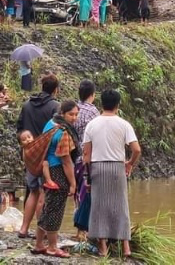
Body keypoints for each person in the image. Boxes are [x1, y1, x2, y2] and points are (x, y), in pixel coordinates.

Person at [83, 89, 141, 258]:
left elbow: (86, 156)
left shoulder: (92, 124)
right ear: (118, 105)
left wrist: (87, 177)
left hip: (98, 167)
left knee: (99, 206)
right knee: (121, 205)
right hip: (117, 167)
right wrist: (129, 163)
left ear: (102, 104)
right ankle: (126, 247)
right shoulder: (124, 124)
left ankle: (102, 247)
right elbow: (136, 149)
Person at [30, 100, 80, 258]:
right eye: (71, 114)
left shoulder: (50, 123)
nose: (74, 118)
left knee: (47, 209)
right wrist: (73, 184)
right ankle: (52, 247)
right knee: (55, 211)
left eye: (76, 114)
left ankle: (39, 244)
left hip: (47, 171)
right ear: (63, 114)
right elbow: (66, 161)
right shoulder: (63, 131)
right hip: (58, 171)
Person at [16, 74, 60, 239]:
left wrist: (26, 145)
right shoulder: (55, 107)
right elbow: (58, 131)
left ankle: (24, 228)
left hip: (29, 155)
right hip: (46, 156)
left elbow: (19, 128)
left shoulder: (27, 105)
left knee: (32, 191)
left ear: (42, 86)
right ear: (55, 89)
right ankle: (41, 232)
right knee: (43, 193)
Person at [73, 80, 99, 241]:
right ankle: (84, 231)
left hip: (72, 158)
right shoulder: (93, 112)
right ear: (92, 95)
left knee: (77, 193)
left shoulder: (73, 110)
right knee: (86, 193)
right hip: (87, 158)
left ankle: (79, 230)